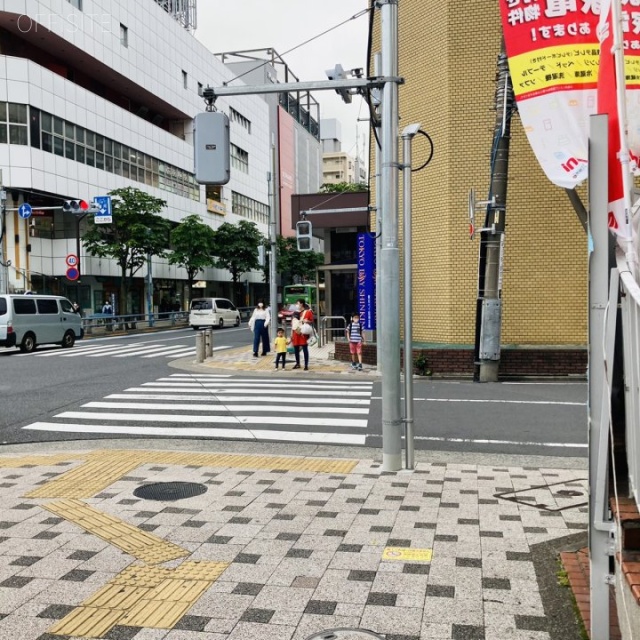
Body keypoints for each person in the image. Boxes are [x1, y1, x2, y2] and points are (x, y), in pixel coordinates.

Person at [291, 298, 314, 370]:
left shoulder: (308, 312)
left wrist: (307, 321)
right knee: (296, 349)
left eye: (297, 303)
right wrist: (291, 334)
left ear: (301, 304)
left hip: (303, 333)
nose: (296, 305)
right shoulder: (295, 313)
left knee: (304, 348)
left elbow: (312, 321)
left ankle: (306, 364)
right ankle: (297, 363)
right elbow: (293, 324)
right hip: (296, 332)